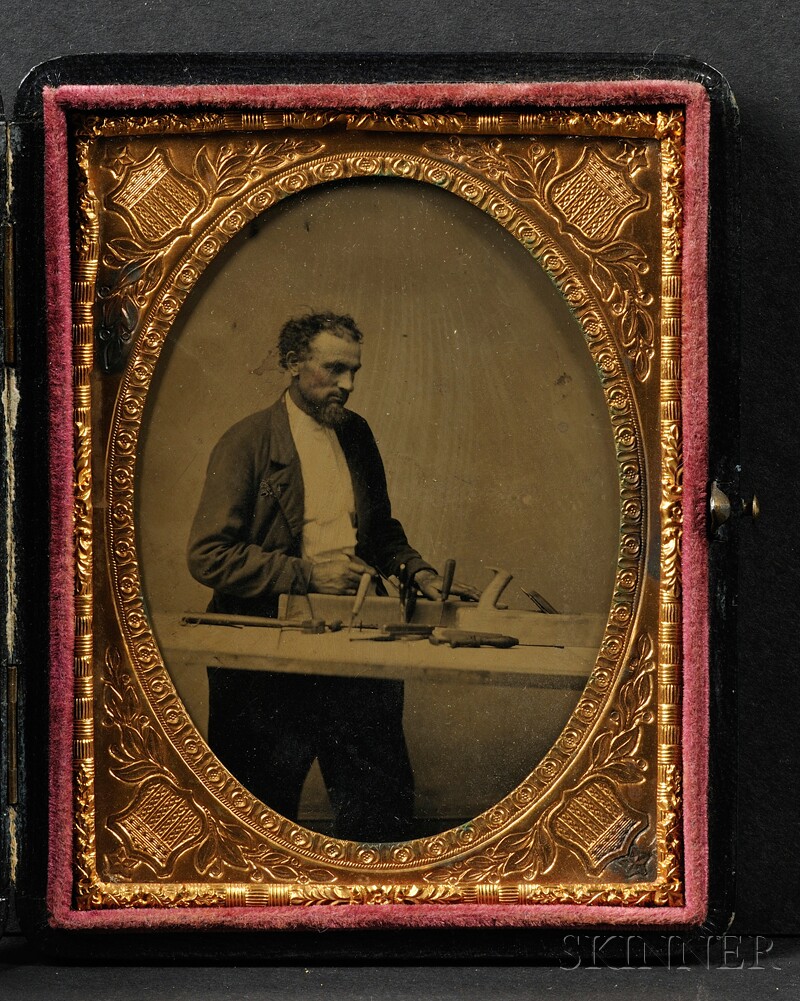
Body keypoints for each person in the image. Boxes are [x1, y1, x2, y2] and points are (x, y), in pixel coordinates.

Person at [187, 312, 476, 842]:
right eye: (334, 368)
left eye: (354, 371)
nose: (347, 384)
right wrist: (306, 573)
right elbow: (208, 557)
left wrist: (419, 570)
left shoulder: (356, 434)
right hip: (266, 655)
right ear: (293, 364)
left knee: (380, 805)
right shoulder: (246, 442)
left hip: (357, 642)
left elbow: (380, 533)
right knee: (256, 820)